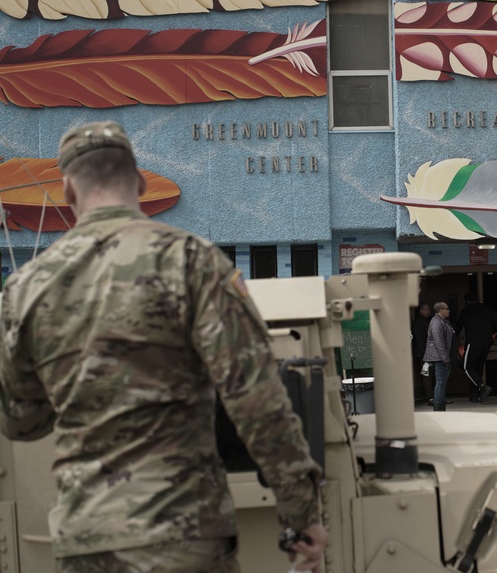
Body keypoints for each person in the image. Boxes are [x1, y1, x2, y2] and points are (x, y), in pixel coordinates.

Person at [0, 121, 327, 572]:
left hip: (86, 539)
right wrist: (301, 514)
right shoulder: (192, 261)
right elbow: (255, 399)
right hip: (183, 534)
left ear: (68, 191)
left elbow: (21, 421)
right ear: (138, 181)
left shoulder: (26, 287)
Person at [455, 292, 497, 402]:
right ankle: (474, 394)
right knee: (478, 368)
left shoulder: (465, 312)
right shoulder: (487, 308)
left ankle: (482, 386)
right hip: (486, 342)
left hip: (472, 343)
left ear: (467, 302)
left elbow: (457, 328)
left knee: (467, 367)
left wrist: (450, 341)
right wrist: (494, 333)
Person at [423, 301, 454, 411]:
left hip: (440, 356)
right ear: (441, 310)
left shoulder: (442, 321)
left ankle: (440, 406)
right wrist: (446, 359)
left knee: (442, 382)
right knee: (440, 382)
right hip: (439, 357)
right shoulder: (436, 322)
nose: (448, 310)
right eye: (447, 308)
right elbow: (439, 342)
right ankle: (438, 407)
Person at [411, 302, 434, 405]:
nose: (429, 311)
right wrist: (425, 354)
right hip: (424, 353)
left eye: (429, 309)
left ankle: (433, 397)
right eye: (427, 309)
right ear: (421, 310)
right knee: (427, 375)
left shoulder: (426, 321)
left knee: (430, 375)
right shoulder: (419, 323)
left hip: (427, 353)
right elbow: (420, 340)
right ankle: (431, 398)